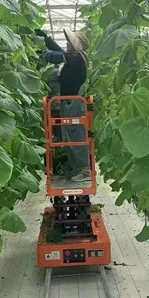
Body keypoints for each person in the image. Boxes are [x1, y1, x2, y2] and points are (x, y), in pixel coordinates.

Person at [35, 28, 92, 182]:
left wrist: (42, 53)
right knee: (70, 135)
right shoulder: (73, 57)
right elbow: (59, 51)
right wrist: (46, 39)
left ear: (76, 45)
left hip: (74, 104)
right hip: (68, 103)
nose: (67, 43)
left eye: (69, 41)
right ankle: (79, 168)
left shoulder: (77, 59)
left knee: (76, 135)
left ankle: (85, 171)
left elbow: (56, 56)